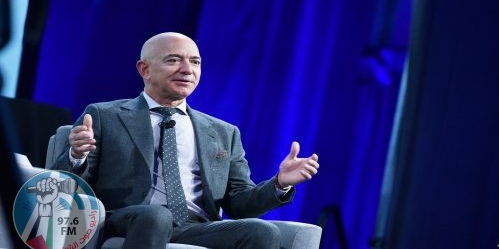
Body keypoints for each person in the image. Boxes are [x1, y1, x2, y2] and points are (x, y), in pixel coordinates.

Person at [52, 32, 319, 249]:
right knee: (157, 216)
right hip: (131, 219)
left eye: (195, 62)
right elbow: (64, 185)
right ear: (145, 69)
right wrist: (77, 155)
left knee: (263, 232)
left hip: (196, 227)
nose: (187, 70)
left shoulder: (224, 132)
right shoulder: (104, 115)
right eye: (173, 60)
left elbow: (239, 204)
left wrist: (279, 184)